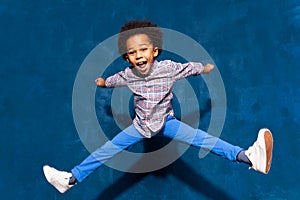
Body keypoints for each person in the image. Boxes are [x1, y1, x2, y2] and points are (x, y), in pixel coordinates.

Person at [43, 20, 273, 194]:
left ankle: (249, 157)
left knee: (204, 140)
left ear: (154, 51)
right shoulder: (128, 75)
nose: (138, 56)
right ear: (127, 58)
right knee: (106, 150)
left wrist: (202, 68)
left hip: (167, 123)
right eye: (132, 53)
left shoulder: (168, 68)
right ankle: (70, 180)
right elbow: (115, 80)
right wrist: (103, 83)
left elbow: (187, 68)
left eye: (143, 49)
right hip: (141, 127)